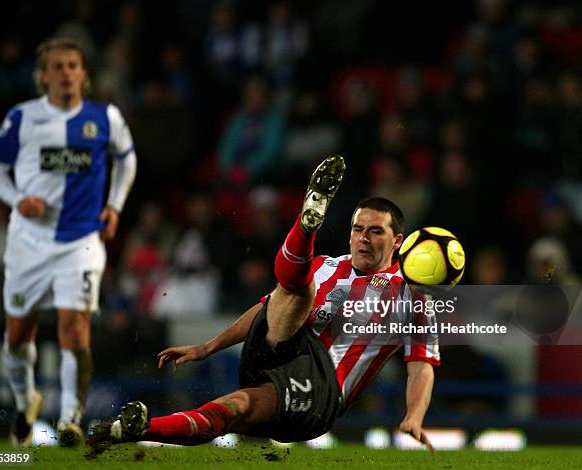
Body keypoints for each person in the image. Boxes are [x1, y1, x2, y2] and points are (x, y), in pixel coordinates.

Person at [99, 155, 437, 448]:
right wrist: (208, 347)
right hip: (279, 349)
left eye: (375, 231)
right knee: (233, 404)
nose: (363, 238)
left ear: (397, 241)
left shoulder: (410, 294)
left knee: (242, 398)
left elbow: (421, 364)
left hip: (322, 386)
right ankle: (134, 429)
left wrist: (414, 416)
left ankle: (305, 230)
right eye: (357, 228)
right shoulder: (326, 266)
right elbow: (266, 308)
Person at [0, 37, 137, 447]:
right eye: (59, 65)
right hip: (28, 242)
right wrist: (20, 199)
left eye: (74, 65)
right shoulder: (23, 117)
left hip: (81, 241)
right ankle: (24, 401)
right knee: (18, 334)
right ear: (44, 75)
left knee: (74, 327)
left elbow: (127, 157)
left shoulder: (105, 116)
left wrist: (115, 207)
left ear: (83, 73)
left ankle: (71, 417)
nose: (67, 72)